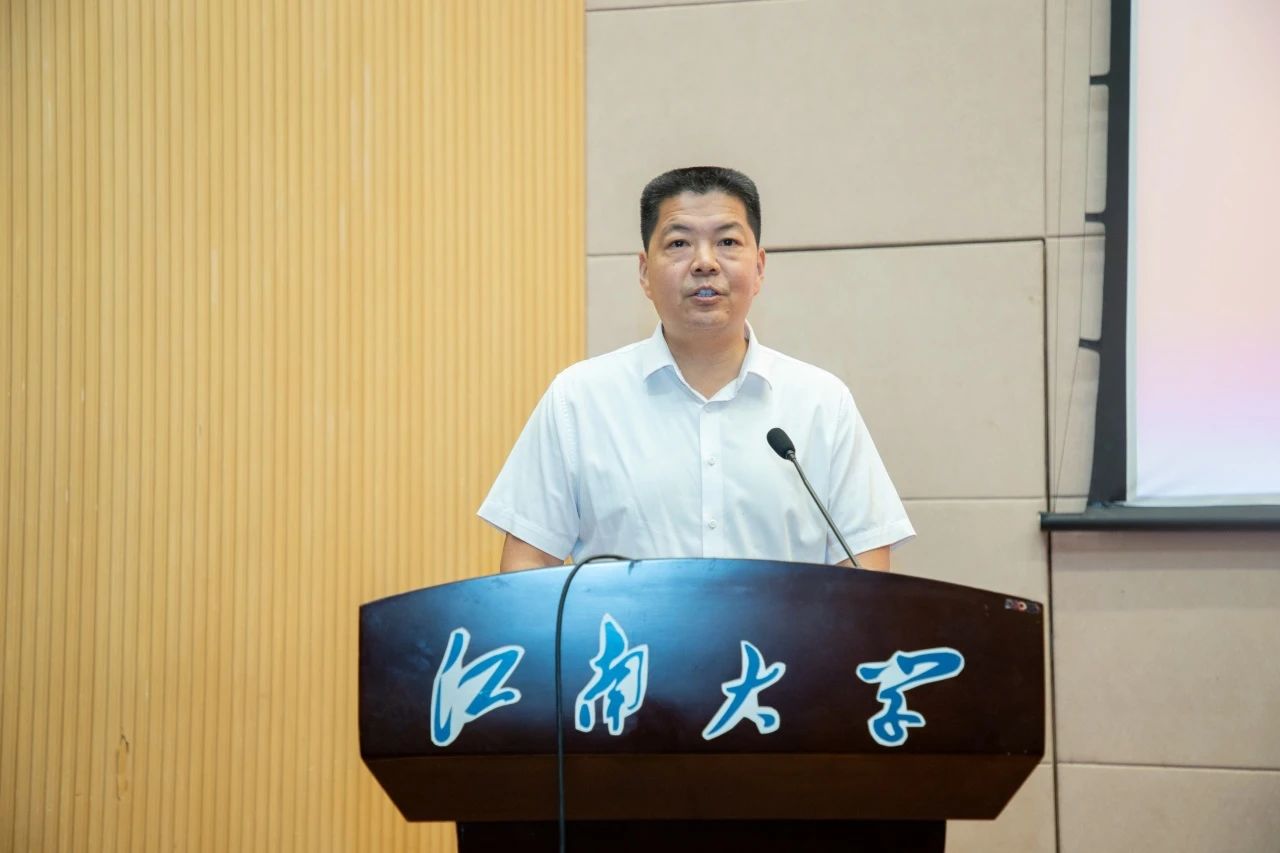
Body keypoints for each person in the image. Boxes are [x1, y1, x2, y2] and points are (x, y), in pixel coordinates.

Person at [478, 166, 913, 572]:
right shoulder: (579, 399)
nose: (705, 262)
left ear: (759, 268)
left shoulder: (822, 402)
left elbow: (864, 568)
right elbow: (529, 562)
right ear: (644, 273)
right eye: (679, 243)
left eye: (728, 242)